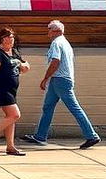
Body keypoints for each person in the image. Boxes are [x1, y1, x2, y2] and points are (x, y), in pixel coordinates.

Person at [22, 20, 100, 150]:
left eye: (49, 29)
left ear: (56, 31)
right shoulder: (65, 43)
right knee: (48, 107)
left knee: (74, 107)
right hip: (59, 79)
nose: (48, 32)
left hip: (60, 80)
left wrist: (45, 78)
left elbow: (55, 62)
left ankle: (91, 135)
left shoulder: (56, 43)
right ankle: (40, 135)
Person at [0, 26, 30, 155]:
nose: (10, 40)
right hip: (1, 88)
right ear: (1, 39)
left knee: (10, 117)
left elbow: (26, 67)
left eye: (12, 37)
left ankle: (10, 147)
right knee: (15, 115)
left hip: (12, 90)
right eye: (7, 37)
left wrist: (21, 64)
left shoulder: (15, 52)